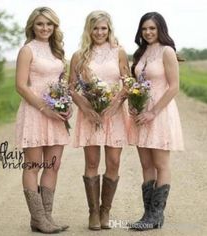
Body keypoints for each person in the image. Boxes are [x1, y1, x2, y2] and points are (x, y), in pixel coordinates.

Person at [69, 10, 129, 230]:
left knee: (113, 162)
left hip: (114, 116)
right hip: (90, 116)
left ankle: (106, 212)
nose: (100, 32)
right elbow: (71, 87)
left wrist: (114, 106)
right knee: (92, 163)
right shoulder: (79, 56)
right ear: (89, 30)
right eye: (95, 28)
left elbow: (128, 83)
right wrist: (85, 108)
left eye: (104, 28)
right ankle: (93, 212)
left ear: (109, 29)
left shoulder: (119, 52)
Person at [15, 7, 71, 233]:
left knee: (53, 165)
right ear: (32, 26)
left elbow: (62, 83)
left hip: (56, 114)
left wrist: (67, 107)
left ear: (54, 27)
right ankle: (38, 218)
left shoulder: (57, 51)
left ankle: (46, 218)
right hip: (35, 112)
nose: (45, 28)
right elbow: (20, 85)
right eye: (40, 24)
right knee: (33, 166)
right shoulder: (27, 50)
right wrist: (43, 108)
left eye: (49, 24)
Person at [128, 12, 184, 230]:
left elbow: (173, 87)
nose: (148, 32)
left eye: (152, 28)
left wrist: (153, 112)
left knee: (161, 164)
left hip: (159, 114)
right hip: (141, 115)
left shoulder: (167, 51)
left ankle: (156, 214)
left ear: (160, 29)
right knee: (146, 164)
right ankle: (147, 215)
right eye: (144, 29)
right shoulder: (141, 53)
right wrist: (134, 104)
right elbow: (136, 84)